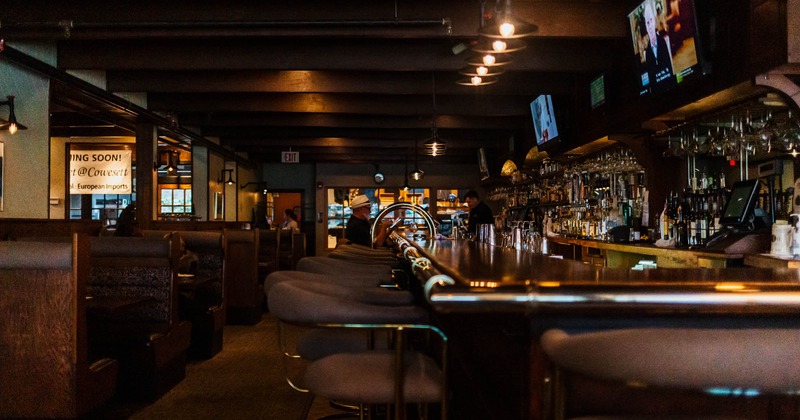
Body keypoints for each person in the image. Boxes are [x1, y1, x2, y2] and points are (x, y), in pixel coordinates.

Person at [641, 0, 676, 91]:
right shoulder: (647, 52)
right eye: (647, 22)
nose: (649, 26)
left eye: (651, 20)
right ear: (645, 25)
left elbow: (670, 68)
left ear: (655, 20)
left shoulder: (663, 42)